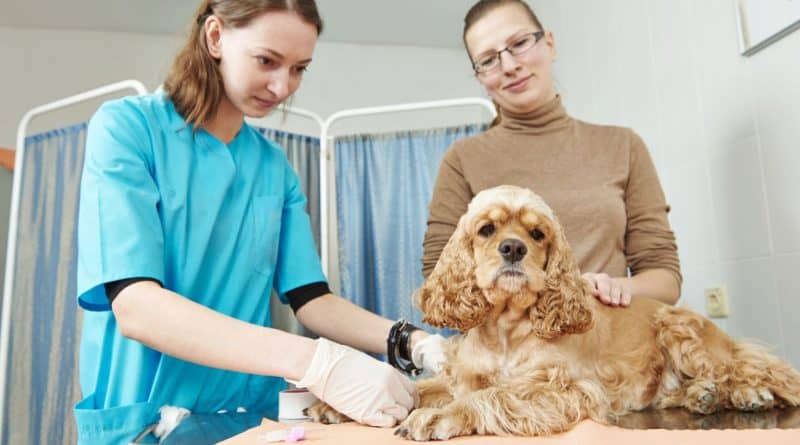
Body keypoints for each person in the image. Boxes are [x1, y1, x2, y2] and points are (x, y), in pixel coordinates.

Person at [74, 1, 444, 443]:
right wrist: (317, 362)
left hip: (245, 416)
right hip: (146, 421)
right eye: (267, 61)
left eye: (299, 68)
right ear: (215, 37)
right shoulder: (128, 130)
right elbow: (136, 307)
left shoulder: (274, 168)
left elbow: (311, 299)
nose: (282, 85)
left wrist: (411, 341)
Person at [423, 0, 681, 307]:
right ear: (480, 77)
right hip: (508, 350)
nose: (509, 66)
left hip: (604, 338)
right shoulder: (462, 159)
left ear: (549, 44)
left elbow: (665, 278)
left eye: (519, 43)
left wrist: (613, 286)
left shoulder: (623, 146)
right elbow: (437, 276)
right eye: (488, 60)